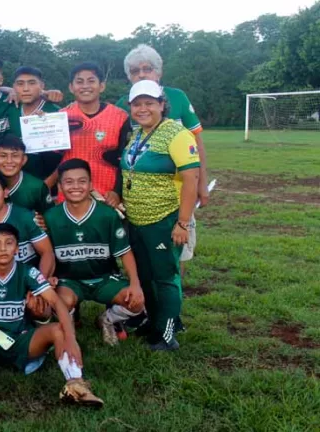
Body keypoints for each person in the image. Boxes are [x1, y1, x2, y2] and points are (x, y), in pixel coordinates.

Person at [0, 223, 103, 408]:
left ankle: (75, 383)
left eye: (9, 243)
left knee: (59, 330)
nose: (3, 248)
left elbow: (56, 303)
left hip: (20, 339)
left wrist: (71, 338)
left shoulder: (27, 271)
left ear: (17, 248)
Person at [120, 80, 200, 351]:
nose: (143, 109)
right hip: (137, 220)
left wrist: (182, 222)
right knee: (145, 275)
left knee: (166, 277)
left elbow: (191, 178)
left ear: (162, 105)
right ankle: (156, 323)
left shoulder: (176, 133)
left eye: (149, 103)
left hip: (164, 219)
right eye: (137, 104)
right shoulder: (137, 134)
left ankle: (167, 333)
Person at [116, 44, 209, 273]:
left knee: (177, 249)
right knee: (140, 252)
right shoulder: (122, 104)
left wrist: (202, 183)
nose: (141, 74)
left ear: (158, 72)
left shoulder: (176, 97)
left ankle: (172, 294)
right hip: (140, 195)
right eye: (135, 71)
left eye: (147, 69)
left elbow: (196, 142)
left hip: (176, 193)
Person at [44, 159, 145, 345]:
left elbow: (124, 252)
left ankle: (107, 320)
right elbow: (47, 254)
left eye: (82, 181)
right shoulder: (50, 217)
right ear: (59, 186)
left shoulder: (107, 214)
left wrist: (135, 284)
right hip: (70, 281)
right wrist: (47, 278)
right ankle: (69, 321)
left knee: (136, 303)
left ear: (90, 184)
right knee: (57, 302)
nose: (75, 186)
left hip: (104, 278)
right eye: (68, 182)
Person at [45, 62, 131, 204]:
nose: (85, 86)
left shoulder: (120, 117)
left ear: (101, 86)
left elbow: (126, 161)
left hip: (107, 197)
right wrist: (40, 124)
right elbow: (51, 158)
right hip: (69, 197)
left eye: (91, 81)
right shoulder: (61, 117)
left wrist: (117, 191)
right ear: (71, 87)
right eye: (79, 82)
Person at [5, 66, 63, 180]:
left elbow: (65, 155)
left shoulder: (56, 112)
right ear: (14, 87)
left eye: (32, 83)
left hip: (49, 183)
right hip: (16, 182)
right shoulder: (10, 108)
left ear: (42, 86)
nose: (26, 89)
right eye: (20, 84)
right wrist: (8, 90)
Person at [0, 134, 54, 216]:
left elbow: (50, 216)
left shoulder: (37, 187)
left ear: (24, 159)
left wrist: (45, 221)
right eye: (3, 156)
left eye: (15, 155)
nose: (9, 161)